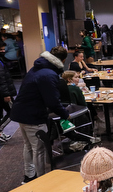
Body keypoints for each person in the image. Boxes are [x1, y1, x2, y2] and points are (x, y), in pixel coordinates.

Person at [10, 46, 70, 183]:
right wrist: (65, 114)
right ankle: (41, 180)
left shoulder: (37, 68)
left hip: (22, 112)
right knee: (39, 149)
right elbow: (52, 101)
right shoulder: (48, 75)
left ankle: (29, 176)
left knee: (28, 146)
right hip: (33, 115)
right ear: (64, 60)